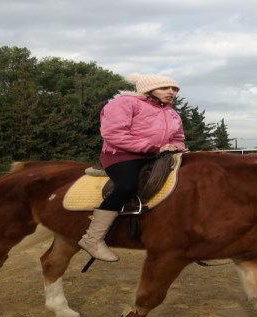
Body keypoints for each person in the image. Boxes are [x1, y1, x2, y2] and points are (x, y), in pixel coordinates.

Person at [78, 73, 186, 262]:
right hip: (121, 155)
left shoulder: (171, 113)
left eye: (174, 89)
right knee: (127, 185)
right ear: (148, 89)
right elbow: (113, 134)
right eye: (165, 88)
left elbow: (177, 138)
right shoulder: (123, 103)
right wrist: (153, 148)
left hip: (156, 155)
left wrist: (177, 148)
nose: (171, 92)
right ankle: (92, 238)